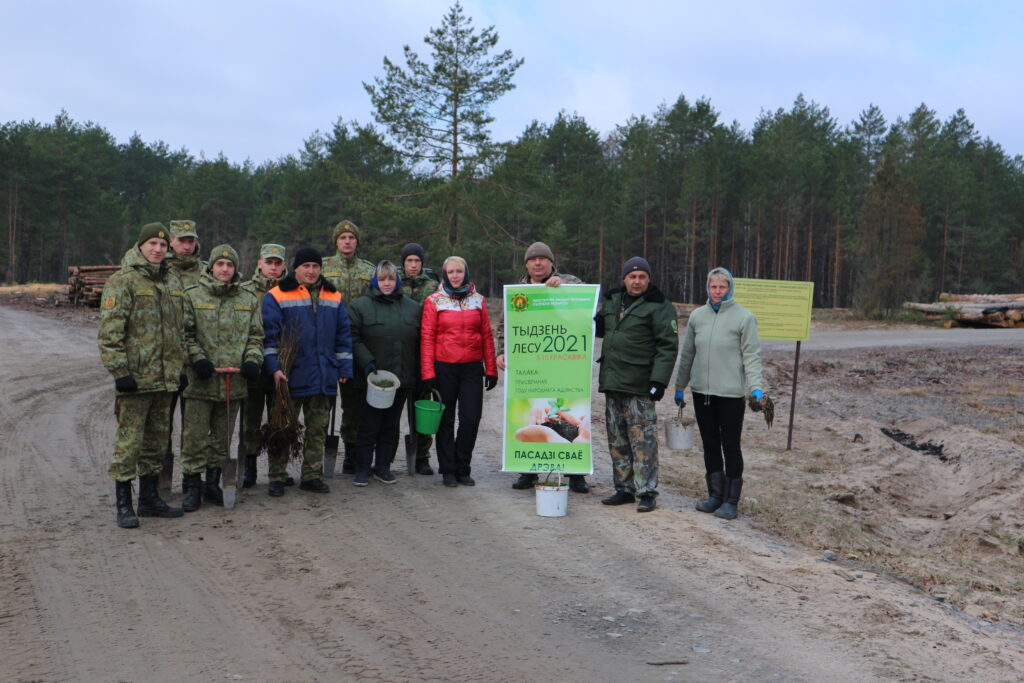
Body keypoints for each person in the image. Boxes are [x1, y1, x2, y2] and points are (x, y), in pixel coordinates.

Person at [98, 222, 186, 528]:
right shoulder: (123, 281)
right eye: (152, 244)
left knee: (157, 443)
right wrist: (120, 371)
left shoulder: (171, 281)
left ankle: (149, 500)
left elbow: (179, 331)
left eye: (163, 245)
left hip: (165, 381)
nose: (158, 249)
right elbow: (110, 332)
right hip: (136, 381)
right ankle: (124, 504)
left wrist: (179, 368)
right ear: (140, 246)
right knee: (129, 443)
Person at [496, 241, 590, 494]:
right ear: (526, 264)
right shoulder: (518, 292)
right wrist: (501, 352)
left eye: (542, 259)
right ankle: (528, 471)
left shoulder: (567, 281)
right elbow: (505, 326)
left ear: (551, 263)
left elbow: (587, 298)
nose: (538, 263)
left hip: (563, 364)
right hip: (530, 365)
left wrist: (565, 287)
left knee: (566, 418)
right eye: (532, 259)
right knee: (535, 418)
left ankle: (576, 474)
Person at [674, 267, 765, 520]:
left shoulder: (744, 318)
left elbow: (752, 356)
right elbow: (688, 354)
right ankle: (715, 494)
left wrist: (756, 386)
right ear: (707, 288)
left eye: (722, 287)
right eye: (713, 287)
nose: (717, 291)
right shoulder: (697, 317)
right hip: (702, 392)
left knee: (730, 446)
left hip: (731, 395)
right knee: (711, 444)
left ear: (730, 288)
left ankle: (731, 500)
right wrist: (680, 386)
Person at [263, 247, 353, 496]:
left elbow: (343, 335)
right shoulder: (277, 295)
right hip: (290, 375)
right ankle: (277, 476)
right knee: (282, 427)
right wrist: (275, 368)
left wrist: (344, 366)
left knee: (318, 429)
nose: (311, 271)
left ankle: (312, 474)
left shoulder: (334, 296)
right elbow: (269, 337)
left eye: (315, 266)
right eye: (306, 266)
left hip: (324, 373)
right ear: (296, 269)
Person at [179, 245, 264, 511]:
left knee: (221, 438)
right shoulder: (192, 296)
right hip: (201, 381)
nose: (225, 269)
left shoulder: (248, 299)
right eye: (220, 265)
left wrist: (252, 360)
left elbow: (256, 337)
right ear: (211, 267)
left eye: (229, 265)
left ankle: (212, 484)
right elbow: (185, 334)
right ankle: (192, 487)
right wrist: (197, 359)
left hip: (232, 383)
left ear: (236, 269)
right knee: (194, 437)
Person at [595, 256, 678, 513]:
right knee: (617, 440)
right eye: (632, 276)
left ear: (648, 279)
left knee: (643, 442)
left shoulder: (659, 305)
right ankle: (624, 489)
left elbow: (668, 346)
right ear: (624, 279)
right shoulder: (612, 300)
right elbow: (599, 329)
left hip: (640, 385)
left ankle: (647, 491)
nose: (637, 281)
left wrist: (658, 381)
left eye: (642, 276)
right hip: (613, 382)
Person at [420, 256, 498, 487]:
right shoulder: (434, 301)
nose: (455, 276)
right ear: (445, 274)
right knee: (445, 420)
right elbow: (427, 338)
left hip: (472, 369)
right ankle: (448, 469)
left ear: (466, 273)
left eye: (459, 271)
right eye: (451, 272)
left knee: (471, 419)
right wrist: (427, 373)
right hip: (443, 367)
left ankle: (463, 466)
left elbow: (486, 335)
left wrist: (491, 369)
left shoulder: (478, 300)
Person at [348, 260, 422, 486]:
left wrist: (420, 374)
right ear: (374, 281)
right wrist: (367, 362)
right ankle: (362, 469)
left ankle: (383, 467)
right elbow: (352, 337)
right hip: (371, 379)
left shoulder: (412, 307)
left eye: (391, 279)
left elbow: (421, 341)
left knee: (390, 425)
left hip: (401, 378)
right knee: (368, 425)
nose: (387, 283)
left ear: (397, 280)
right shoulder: (359, 306)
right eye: (382, 279)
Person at [322, 219, 374, 474]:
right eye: (342, 237)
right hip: (327, 345)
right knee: (322, 405)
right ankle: (319, 454)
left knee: (353, 406)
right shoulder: (321, 268)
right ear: (336, 241)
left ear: (357, 241)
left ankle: (351, 455)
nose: (347, 241)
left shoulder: (369, 269)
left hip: (356, 346)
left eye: (351, 237)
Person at [240, 243, 292, 488]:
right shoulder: (245, 292)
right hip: (253, 367)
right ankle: (248, 466)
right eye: (268, 262)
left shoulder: (291, 292)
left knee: (279, 420)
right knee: (250, 420)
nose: (273, 267)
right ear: (259, 263)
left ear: (284, 265)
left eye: (277, 263)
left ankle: (277, 470)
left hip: (282, 366)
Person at [396, 242, 440, 475]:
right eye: (409, 261)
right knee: (392, 410)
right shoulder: (393, 284)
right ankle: (385, 456)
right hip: (399, 355)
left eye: (417, 261)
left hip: (424, 356)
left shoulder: (433, 286)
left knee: (421, 408)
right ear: (403, 262)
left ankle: (422, 456)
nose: (413, 265)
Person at [165, 219, 207, 289]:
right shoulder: (160, 269)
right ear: (170, 241)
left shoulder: (206, 271)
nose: (187, 247)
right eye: (181, 241)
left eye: (191, 241)